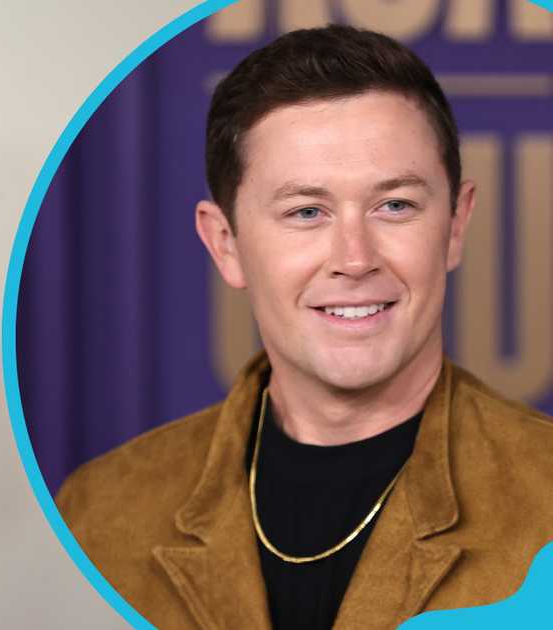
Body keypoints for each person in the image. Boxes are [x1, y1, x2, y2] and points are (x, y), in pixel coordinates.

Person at [56, 24, 553, 630]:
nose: (354, 256)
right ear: (226, 243)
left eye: (394, 204)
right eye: (306, 211)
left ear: (454, 225)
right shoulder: (96, 513)